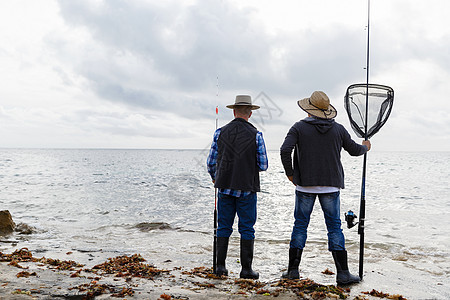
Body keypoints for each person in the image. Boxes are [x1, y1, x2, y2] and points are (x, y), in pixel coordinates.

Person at [280, 91, 370, 285]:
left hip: (305, 185)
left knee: (300, 226)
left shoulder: (298, 127)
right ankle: (343, 274)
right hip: (331, 185)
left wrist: (290, 174)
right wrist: (366, 147)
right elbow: (355, 150)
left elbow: (285, 150)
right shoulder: (338, 129)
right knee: (334, 227)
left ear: (309, 109)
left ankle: (293, 271)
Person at [207, 95, 268, 279]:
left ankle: (220, 267)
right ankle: (246, 270)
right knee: (247, 228)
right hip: (247, 189)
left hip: (224, 188)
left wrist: (215, 178)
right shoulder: (256, 134)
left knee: (223, 227)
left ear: (234, 112)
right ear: (250, 113)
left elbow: (211, 162)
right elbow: (263, 164)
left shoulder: (220, 132)